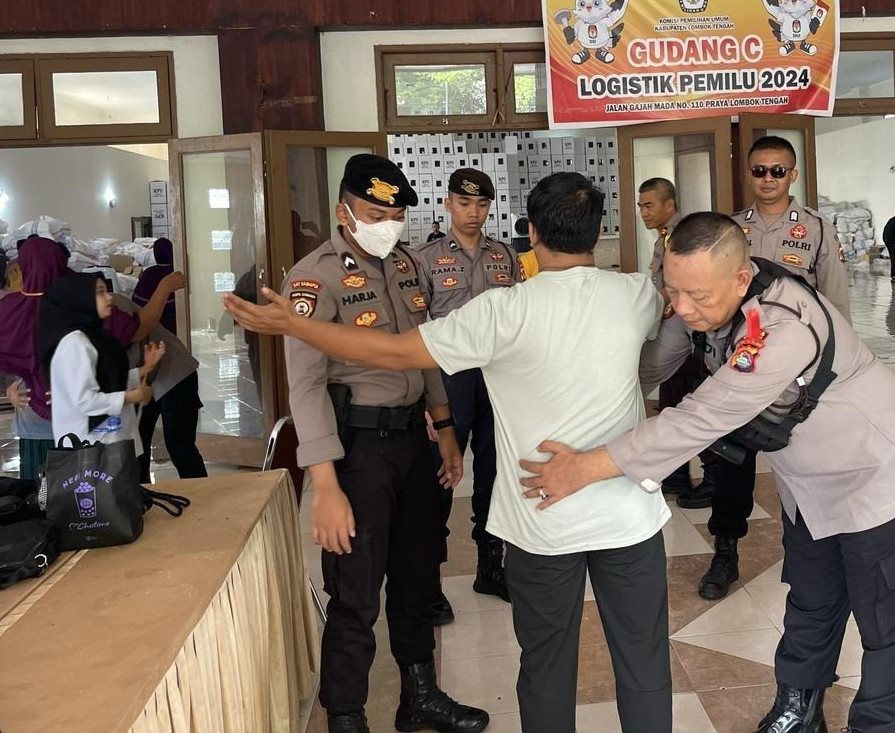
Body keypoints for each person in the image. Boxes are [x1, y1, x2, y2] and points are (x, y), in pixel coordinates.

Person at [225, 171, 674, 733]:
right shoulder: (636, 293)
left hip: (542, 519)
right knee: (644, 660)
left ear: (531, 233)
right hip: (626, 511)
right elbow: (669, 323)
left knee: (544, 663)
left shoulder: (501, 310)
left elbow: (397, 353)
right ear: (598, 229)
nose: (391, 227)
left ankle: (420, 692)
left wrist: (295, 326)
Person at [521, 213, 895, 733]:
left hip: (880, 481)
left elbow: (702, 416)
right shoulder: (702, 301)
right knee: (811, 601)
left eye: (696, 296)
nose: (682, 308)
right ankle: (798, 711)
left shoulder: (783, 327)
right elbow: (646, 369)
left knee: (891, 621)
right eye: (673, 291)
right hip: (809, 490)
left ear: (741, 279)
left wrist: (585, 468)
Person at [269, 154, 485, 733]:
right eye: (374, 213)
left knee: (417, 575)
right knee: (356, 593)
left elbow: (425, 350)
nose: (387, 225)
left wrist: (445, 430)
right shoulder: (313, 278)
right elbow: (305, 387)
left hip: (414, 441)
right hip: (358, 451)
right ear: (343, 211)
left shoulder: (407, 264)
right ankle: (346, 716)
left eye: (394, 215)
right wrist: (325, 488)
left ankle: (419, 698)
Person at [695, 136, 852, 601]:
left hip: (796, 375)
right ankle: (725, 552)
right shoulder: (729, 231)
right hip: (738, 366)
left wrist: (838, 370)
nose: (768, 179)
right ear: (748, 175)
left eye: (777, 171)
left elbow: (836, 304)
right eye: (759, 170)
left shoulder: (817, 229)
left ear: (793, 175)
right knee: (731, 467)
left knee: (805, 465)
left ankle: (810, 553)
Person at [0, 237, 186, 478]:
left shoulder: (10, 311)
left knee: (45, 491)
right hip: (86, 426)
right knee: (91, 488)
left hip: (33, 415)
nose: (108, 298)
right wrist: (164, 289)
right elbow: (137, 329)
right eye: (101, 293)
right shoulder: (79, 315)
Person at [414, 168, 523, 608]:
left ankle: (490, 567)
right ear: (447, 204)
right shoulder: (424, 259)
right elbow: (417, 332)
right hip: (450, 379)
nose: (473, 212)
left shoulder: (505, 256)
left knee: (494, 473)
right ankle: (428, 582)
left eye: (481, 204)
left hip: (496, 377)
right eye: (464, 203)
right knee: (440, 476)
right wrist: (427, 398)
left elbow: (518, 318)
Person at [638, 176, 712, 509]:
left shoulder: (684, 236)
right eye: (640, 206)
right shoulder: (666, 237)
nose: (643, 212)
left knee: (699, 406)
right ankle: (676, 474)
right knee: (673, 403)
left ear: (670, 204)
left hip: (692, 335)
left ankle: (713, 479)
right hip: (675, 330)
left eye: (649, 205)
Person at [39, 273, 164, 451]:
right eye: (100, 292)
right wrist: (133, 397)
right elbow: (84, 400)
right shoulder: (75, 344)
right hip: (91, 446)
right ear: (81, 300)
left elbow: (105, 380)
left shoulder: (94, 337)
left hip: (108, 442)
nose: (109, 297)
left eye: (106, 291)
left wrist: (145, 368)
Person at [113, 293, 208, 480]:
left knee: (179, 444)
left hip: (175, 373)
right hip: (141, 380)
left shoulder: (116, 305)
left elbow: (136, 338)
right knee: (138, 447)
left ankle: (200, 493)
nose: (104, 298)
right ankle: (142, 494)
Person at [132, 237, 178, 334]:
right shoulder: (176, 272)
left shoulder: (148, 274)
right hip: (177, 322)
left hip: (153, 325)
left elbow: (137, 303)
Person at [881, 213, 895, 284]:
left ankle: (894, 274)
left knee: (893, 256)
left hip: (886, 237)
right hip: (890, 238)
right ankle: (894, 275)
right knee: (894, 256)